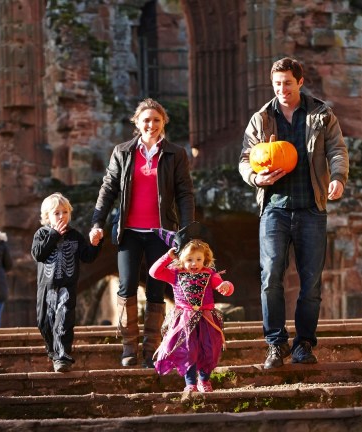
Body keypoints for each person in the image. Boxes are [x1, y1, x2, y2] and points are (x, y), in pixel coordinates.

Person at [239, 57, 349, 369]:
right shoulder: (261, 119)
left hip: (311, 207)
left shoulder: (321, 114)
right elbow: (246, 158)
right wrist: (255, 177)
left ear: (300, 82)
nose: (282, 89)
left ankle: (303, 343)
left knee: (311, 280)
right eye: (277, 84)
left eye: (287, 83)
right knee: (271, 275)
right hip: (273, 208)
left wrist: (338, 178)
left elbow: (337, 149)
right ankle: (276, 343)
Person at [90, 98, 195, 368]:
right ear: (136, 123)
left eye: (156, 120)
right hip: (129, 233)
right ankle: (129, 348)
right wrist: (97, 222)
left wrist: (185, 230)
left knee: (156, 290)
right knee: (126, 288)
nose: (151, 125)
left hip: (161, 234)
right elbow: (108, 189)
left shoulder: (175, 154)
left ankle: (151, 350)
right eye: (146, 120)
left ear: (163, 123)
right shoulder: (123, 152)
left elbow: (185, 194)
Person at [149, 239, 234, 393]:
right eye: (189, 260)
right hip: (184, 320)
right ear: (181, 259)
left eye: (198, 259)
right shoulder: (175, 274)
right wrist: (167, 257)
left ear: (205, 259)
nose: (194, 263)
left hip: (206, 319)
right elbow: (154, 272)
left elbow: (223, 285)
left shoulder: (210, 274)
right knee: (188, 350)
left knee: (209, 350)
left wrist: (225, 286)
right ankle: (190, 383)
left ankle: (204, 380)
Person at [31, 193, 101, 373]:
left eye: (65, 212)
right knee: (44, 322)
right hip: (46, 287)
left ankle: (63, 357)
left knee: (63, 321)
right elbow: (38, 254)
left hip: (67, 287)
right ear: (47, 216)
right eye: (56, 213)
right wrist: (53, 234)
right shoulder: (42, 234)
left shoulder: (75, 236)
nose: (61, 216)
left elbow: (88, 257)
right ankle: (53, 351)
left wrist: (94, 244)